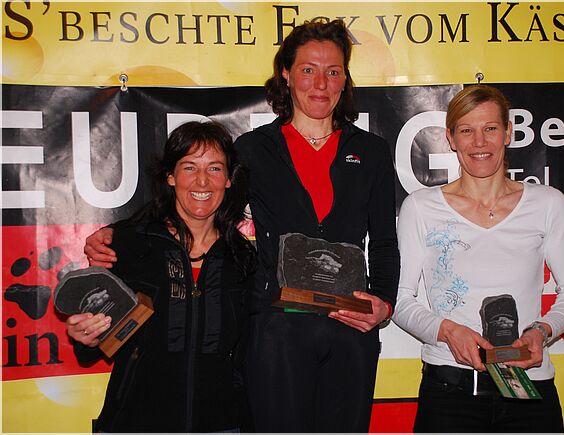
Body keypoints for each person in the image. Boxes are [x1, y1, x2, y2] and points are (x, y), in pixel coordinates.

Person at [83, 19, 399, 432]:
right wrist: (118, 233)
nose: (320, 83)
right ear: (286, 74)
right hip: (277, 329)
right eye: (308, 69)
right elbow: (200, 198)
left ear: (345, 79)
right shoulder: (253, 149)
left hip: (350, 328)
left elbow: (385, 241)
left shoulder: (371, 150)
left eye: (333, 71)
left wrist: (384, 303)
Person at [392, 85, 564, 432]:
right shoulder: (420, 208)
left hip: (529, 389)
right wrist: (447, 332)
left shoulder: (548, 203)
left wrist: (540, 332)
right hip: (450, 393)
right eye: (467, 130)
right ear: (451, 138)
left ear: (508, 133)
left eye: (491, 128)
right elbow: (400, 300)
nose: (479, 142)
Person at [67, 121, 256, 432]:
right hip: (136, 423)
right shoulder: (127, 245)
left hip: (222, 424)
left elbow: (251, 352)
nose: (202, 180)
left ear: (228, 179)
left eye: (215, 168)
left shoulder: (244, 260)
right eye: (189, 167)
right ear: (170, 176)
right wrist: (85, 337)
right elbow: (94, 344)